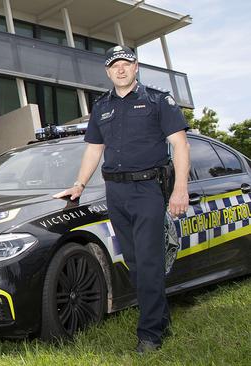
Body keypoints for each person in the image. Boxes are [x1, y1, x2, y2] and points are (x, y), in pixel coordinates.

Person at [53, 45, 190, 353]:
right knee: (134, 263)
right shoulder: (101, 106)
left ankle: (150, 334)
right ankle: (160, 319)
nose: (120, 69)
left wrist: (180, 188)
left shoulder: (158, 100)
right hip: (115, 192)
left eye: (125, 63)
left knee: (149, 261)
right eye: (114, 65)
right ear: (108, 71)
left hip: (147, 191)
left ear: (136, 66)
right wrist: (78, 184)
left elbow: (179, 145)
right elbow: (93, 150)